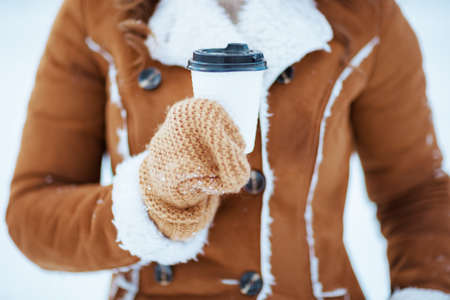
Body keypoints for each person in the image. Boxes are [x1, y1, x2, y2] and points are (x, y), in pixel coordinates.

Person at [6, 0, 449, 299]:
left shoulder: (365, 16)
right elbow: (32, 213)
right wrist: (147, 201)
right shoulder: (97, 14)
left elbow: (416, 194)